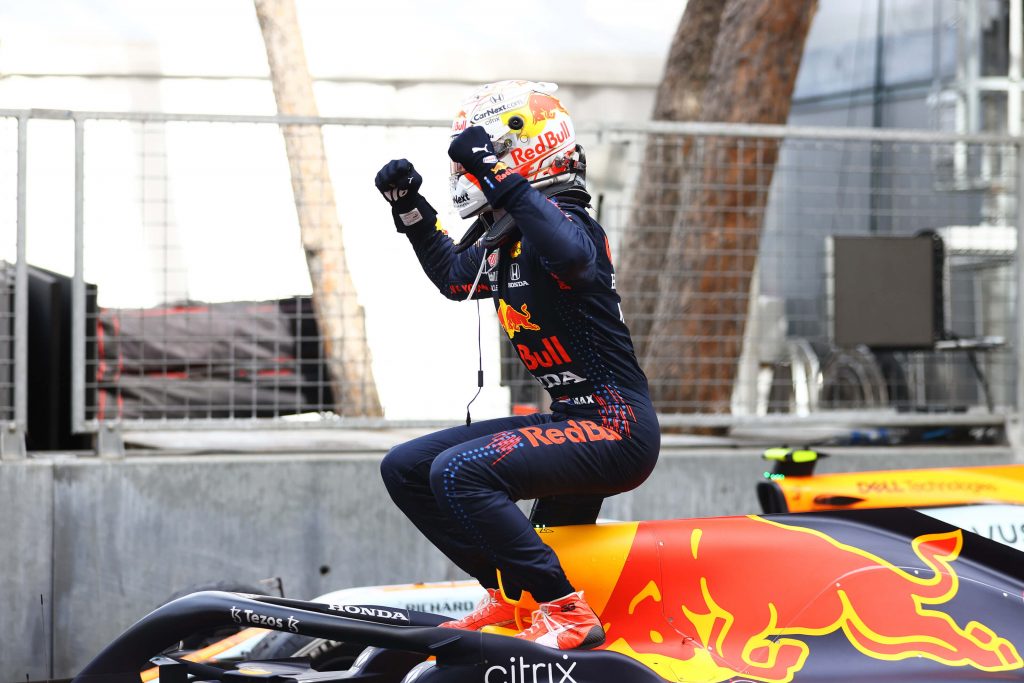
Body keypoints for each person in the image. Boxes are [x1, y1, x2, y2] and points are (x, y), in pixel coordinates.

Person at [374, 80, 660, 651]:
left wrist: (498, 176)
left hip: (617, 428)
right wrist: (409, 205)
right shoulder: (511, 234)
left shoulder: (572, 222)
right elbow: (456, 277)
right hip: (573, 421)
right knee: (405, 467)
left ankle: (567, 612)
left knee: (459, 473)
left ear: (520, 148)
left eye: (478, 159)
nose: (468, 175)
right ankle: (513, 595)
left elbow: (573, 255)